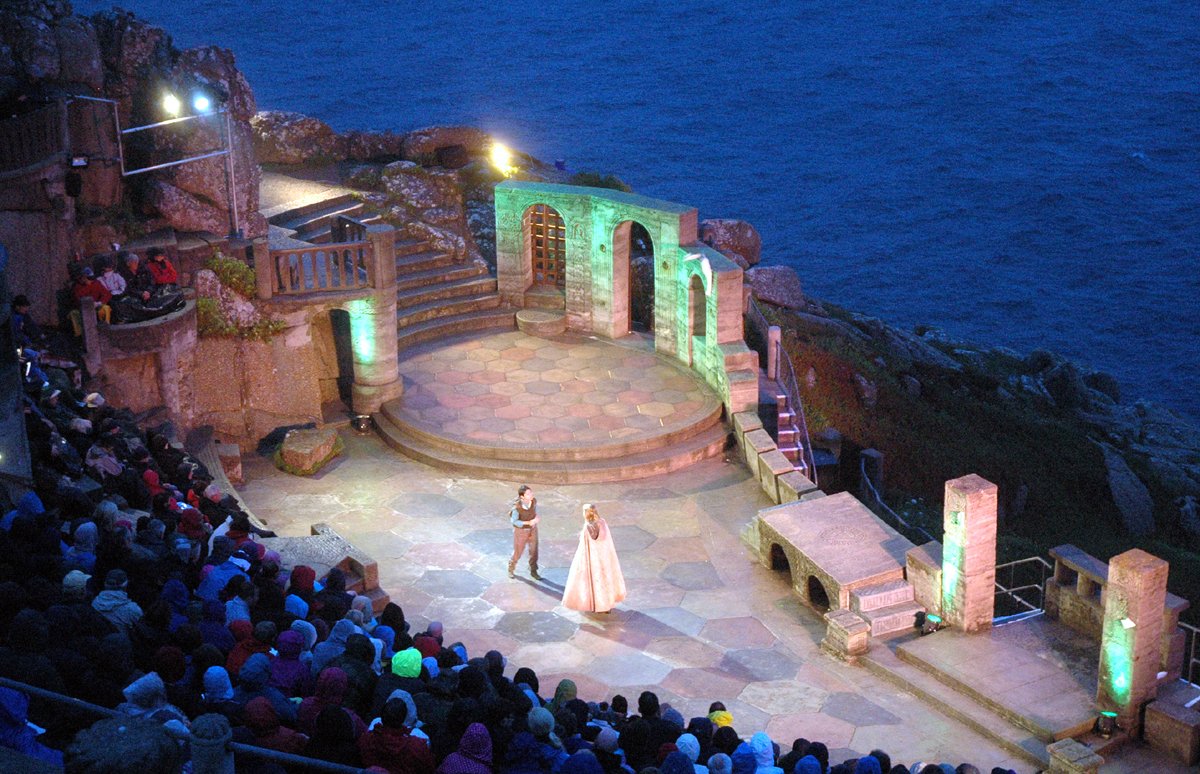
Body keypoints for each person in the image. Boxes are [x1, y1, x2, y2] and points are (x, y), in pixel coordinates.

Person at [561, 504, 626, 613]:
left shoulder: (588, 527)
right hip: (603, 558)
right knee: (605, 579)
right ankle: (606, 605)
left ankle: (596, 605)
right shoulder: (602, 523)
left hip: (591, 559)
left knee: (593, 581)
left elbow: (587, 542)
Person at [508, 485, 541, 580]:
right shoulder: (517, 507)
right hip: (521, 531)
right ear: (522, 496)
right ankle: (511, 567)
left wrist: (535, 518)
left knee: (534, 551)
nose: (531, 495)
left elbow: (533, 511)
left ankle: (533, 570)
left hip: (533, 529)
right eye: (528, 494)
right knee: (518, 551)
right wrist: (528, 522)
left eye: (531, 492)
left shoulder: (534, 501)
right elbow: (514, 521)